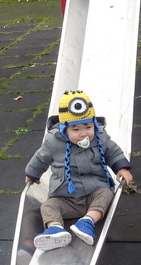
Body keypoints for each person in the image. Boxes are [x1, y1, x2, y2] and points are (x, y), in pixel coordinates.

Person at [24, 90, 133, 252]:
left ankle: (87, 221)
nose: (84, 133)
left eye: (88, 127)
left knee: (106, 194)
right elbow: (40, 158)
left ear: (94, 124)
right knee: (48, 205)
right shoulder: (54, 142)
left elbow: (112, 151)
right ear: (64, 130)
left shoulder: (100, 137)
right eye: (76, 130)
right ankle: (55, 229)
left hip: (93, 194)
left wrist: (122, 168)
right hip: (65, 198)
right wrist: (32, 173)